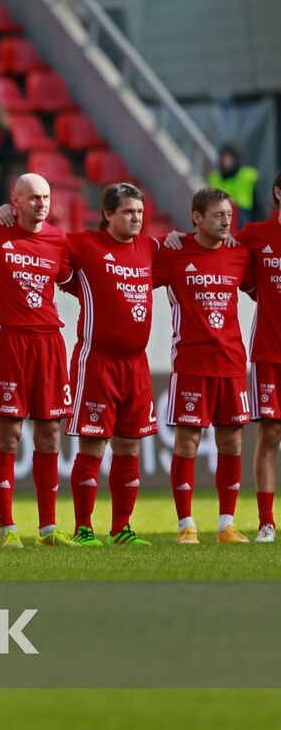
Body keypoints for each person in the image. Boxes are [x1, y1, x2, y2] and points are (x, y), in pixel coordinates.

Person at [36, 184, 157, 547]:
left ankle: (121, 528)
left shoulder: (151, 248)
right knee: (94, 446)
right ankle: (83, 527)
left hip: (137, 365)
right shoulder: (82, 245)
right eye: (127, 212)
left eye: (139, 212)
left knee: (130, 447)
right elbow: (43, 242)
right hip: (97, 363)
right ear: (107, 214)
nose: (136, 218)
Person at [153, 188, 255, 544]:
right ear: (196, 217)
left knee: (232, 444)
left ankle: (227, 524)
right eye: (218, 216)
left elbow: (262, 289)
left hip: (231, 363)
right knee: (187, 444)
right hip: (192, 363)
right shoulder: (173, 254)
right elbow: (134, 267)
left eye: (229, 215)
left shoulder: (240, 256)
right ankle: (186, 526)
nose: (226, 221)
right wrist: (165, 238)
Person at [234, 171, 281, 541]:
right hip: (270, 351)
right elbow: (214, 245)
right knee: (270, 435)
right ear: (278, 192)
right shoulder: (255, 235)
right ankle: (266, 521)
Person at [208, 145, 259, 228]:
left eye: (229, 159)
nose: (226, 162)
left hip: (243, 215)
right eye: (224, 159)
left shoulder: (248, 175)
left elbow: (259, 204)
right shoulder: (215, 178)